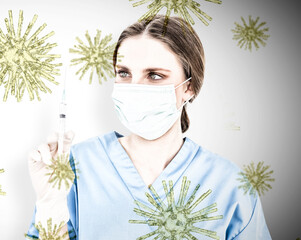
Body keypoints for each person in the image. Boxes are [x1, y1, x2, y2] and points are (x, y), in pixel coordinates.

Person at [25, 15, 272, 240]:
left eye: (154, 75)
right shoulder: (73, 168)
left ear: (189, 87)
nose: (134, 87)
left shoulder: (228, 185)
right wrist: (49, 209)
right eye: (123, 73)